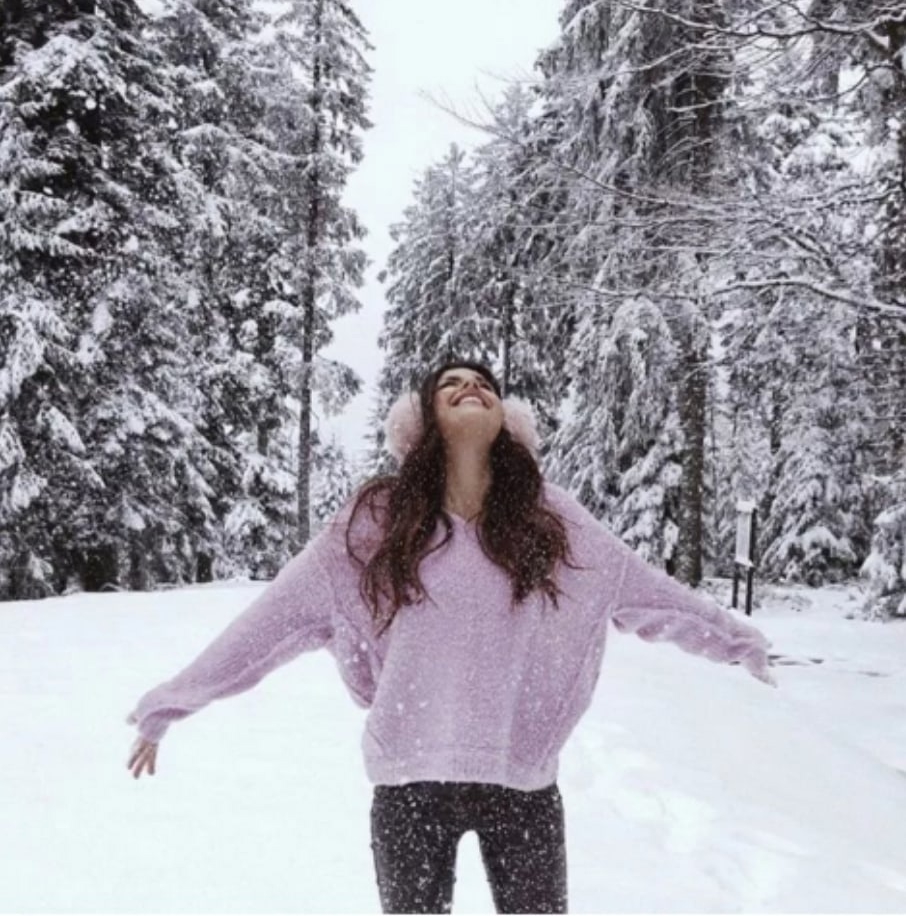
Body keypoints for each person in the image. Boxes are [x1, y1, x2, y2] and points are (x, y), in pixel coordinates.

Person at [127, 360, 773, 914]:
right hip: (410, 784)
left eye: (485, 384)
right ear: (425, 419)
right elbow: (272, 622)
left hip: (522, 785)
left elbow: (645, 591)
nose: (471, 387)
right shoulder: (376, 522)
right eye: (452, 383)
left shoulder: (552, 521)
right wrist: (172, 701)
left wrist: (738, 640)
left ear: (506, 421)